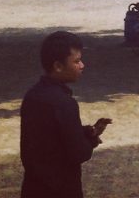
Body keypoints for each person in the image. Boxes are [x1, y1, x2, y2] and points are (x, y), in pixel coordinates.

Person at [20, 31, 112, 198]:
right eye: (76, 61)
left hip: (33, 187)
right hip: (61, 188)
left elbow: (47, 136)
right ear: (58, 66)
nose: (82, 65)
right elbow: (79, 153)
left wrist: (84, 131)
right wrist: (91, 139)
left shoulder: (32, 96)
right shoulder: (64, 103)